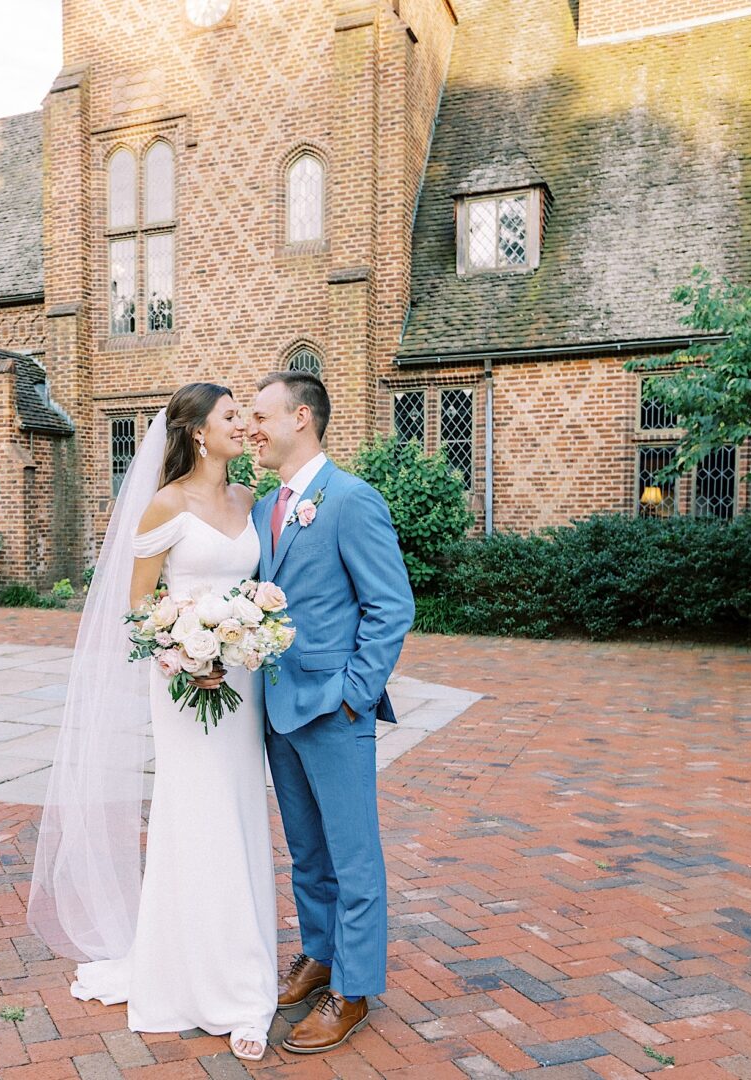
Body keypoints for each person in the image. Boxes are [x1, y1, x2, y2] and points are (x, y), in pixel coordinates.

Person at [29, 382, 277, 1061]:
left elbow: (255, 589)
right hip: (183, 683)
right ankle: (198, 978)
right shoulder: (165, 505)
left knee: (239, 810)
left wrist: (243, 638)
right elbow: (137, 610)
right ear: (198, 431)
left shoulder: (250, 501)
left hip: (243, 679)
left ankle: (242, 968)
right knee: (194, 812)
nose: (242, 425)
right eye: (231, 415)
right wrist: (186, 654)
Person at [246, 370, 415, 1054]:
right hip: (277, 710)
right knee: (307, 852)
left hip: (334, 710)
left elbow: (390, 605)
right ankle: (317, 955)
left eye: (261, 415)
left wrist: (354, 692)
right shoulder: (263, 509)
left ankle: (353, 988)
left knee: (353, 857)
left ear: (302, 418)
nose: (252, 427)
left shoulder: (350, 499)